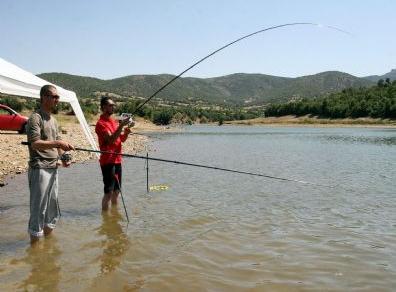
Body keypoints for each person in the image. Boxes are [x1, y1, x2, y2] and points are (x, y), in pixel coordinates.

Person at [26, 85, 74, 244]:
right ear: (44, 97)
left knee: (52, 210)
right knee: (38, 210)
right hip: (39, 168)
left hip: (54, 168)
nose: (57, 100)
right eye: (54, 96)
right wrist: (58, 142)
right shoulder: (35, 118)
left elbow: (59, 146)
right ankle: (35, 249)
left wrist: (64, 156)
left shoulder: (54, 120)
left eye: (57, 97)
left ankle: (46, 248)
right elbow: (35, 143)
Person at [95, 96, 133, 211]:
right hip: (108, 162)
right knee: (108, 192)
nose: (113, 107)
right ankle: (105, 217)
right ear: (103, 107)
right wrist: (121, 126)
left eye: (113, 105)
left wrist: (126, 132)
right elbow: (110, 140)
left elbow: (120, 139)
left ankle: (114, 217)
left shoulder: (113, 121)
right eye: (110, 105)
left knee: (117, 191)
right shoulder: (100, 124)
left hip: (117, 160)